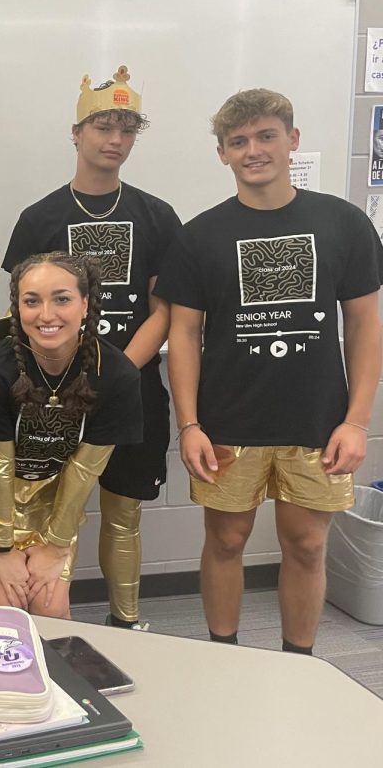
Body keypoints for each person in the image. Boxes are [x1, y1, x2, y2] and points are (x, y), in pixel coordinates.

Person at [155, 89, 383, 654]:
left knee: (306, 545)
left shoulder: (344, 223)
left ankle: (299, 663)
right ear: (223, 154)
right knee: (226, 539)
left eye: (265, 136)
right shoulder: (199, 234)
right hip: (228, 420)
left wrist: (357, 421)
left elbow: (364, 325)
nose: (253, 150)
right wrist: (188, 425)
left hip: (317, 420)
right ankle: (223, 655)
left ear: (292, 141)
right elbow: (183, 333)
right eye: (239, 141)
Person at [2, 66, 181, 630]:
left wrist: (119, 372)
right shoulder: (40, 217)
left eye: (127, 129)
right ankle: (53, 626)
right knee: (57, 512)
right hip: (53, 394)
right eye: (103, 126)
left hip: (132, 387)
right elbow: (23, 311)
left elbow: (165, 309)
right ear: (75, 133)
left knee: (124, 513)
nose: (116, 140)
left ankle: (127, 624)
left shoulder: (157, 215)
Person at [0, 252, 142, 619]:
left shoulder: (117, 375)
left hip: (53, 494)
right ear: (17, 307)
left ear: (86, 304)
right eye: (31, 301)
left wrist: (55, 547)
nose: (46, 315)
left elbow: (85, 470)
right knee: (7, 609)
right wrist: (2, 551)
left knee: (51, 611)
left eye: (62, 299)